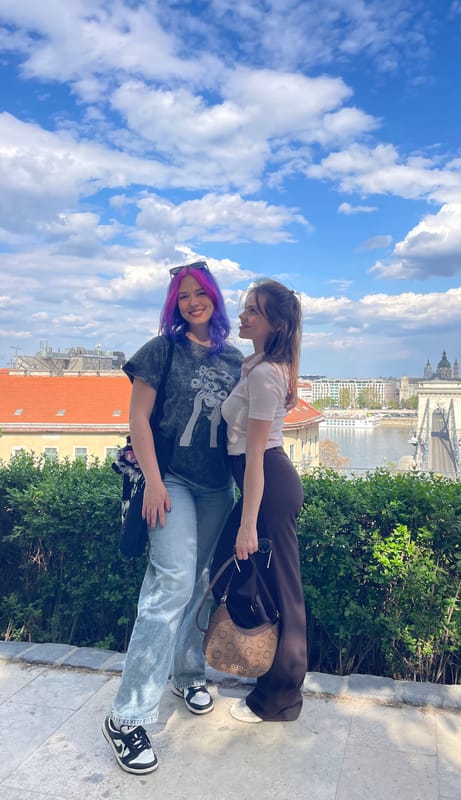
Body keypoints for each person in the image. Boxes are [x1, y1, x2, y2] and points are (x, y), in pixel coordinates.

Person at [103, 261, 243, 774]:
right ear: (173, 304)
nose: (192, 302)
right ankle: (126, 717)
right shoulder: (160, 351)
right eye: (182, 296)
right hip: (172, 483)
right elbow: (138, 418)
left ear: (214, 297)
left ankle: (187, 675)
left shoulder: (234, 359)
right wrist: (155, 482)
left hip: (217, 488)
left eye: (199, 293)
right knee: (169, 586)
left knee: (200, 581)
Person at [211, 278, 307, 723]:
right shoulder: (257, 366)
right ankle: (261, 663)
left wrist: (248, 523)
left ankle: (280, 697)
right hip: (261, 482)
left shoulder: (267, 374)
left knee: (284, 590)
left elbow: (254, 454)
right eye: (245, 307)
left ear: (277, 324)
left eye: (254, 310)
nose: (243, 315)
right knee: (232, 571)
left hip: (268, 482)